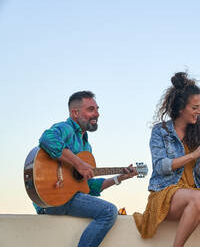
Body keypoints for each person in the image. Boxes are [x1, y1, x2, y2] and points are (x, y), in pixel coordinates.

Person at [34, 91, 138, 247]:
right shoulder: (65, 128)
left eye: (97, 109)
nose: (97, 114)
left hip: (68, 198)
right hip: (53, 198)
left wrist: (119, 178)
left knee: (106, 209)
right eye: (91, 109)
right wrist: (78, 163)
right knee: (108, 211)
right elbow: (47, 139)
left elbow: (88, 187)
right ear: (75, 113)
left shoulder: (86, 146)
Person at [133, 72, 200, 247]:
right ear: (181, 109)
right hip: (165, 192)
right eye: (195, 107)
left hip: (191, 192)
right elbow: (160, 166)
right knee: (198, 198)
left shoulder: (198, 134)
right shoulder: (161, 131)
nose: (199, 112)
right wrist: (193, 155)